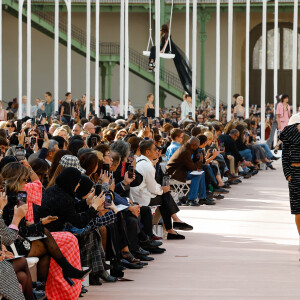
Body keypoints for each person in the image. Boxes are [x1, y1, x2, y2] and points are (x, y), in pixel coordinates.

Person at [131, 139, 193, 239]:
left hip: (139, 194)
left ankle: (172, 228)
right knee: (165, 195)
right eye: (155, 149)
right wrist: (162, 190)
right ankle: (173, 226)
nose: (157, 151)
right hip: (142, 198)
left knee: (164, 195)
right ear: (148, 152)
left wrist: (162, 189)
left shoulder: (140, 160)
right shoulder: (147, 165)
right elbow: (153, 188)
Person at [148, 24, 194, 95]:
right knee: (153, 48)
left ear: (163, 29)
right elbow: (162, 41)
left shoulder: (166, 34)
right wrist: (160, 38)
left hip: (165, 49)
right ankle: (152, 62)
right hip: (163, 47)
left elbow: (166, 42)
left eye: (161, 29)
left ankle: (152, 63)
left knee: (153, 48)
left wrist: (162, 50)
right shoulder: (164, 34)